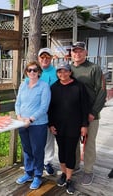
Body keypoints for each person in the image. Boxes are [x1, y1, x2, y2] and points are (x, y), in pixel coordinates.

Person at [48, 62, 89, 194]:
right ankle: (64, 174)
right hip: (58, 126)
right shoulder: (54, 87)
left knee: (70, 152)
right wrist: (51, 124)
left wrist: (84, 125)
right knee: (62, 151)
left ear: (70, 72)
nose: (62, 74)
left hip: (74, 126)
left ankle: (70, 179)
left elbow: (85, 108)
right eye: (59, 71)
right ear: (57, 74)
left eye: (65, 71)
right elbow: (50, 108)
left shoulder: (79, 86)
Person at [70, 41, 107, 185]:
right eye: (74, 51)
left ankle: (88, 170)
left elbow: (102, 91)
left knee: (89, 143)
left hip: (91, 114)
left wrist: (93, 112)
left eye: (80, 51)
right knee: (73, 142)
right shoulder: (67, 69)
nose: (77, 53)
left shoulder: (94, 68)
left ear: (85, 52)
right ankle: (75, 165)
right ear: (71, 53)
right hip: (74, 115)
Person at [15, 61, 51, 190]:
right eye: (29, 70)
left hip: (37, 124)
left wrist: (30, 119)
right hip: (22, 122)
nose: (32, 72)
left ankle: (37, 175)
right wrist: (19, 116)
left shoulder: (44, 86)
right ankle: (28, 173)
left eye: (35, 70)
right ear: (26, 72)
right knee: (27, 149)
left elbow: (44, 107)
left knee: (37, 150)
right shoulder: (22, 85)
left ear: (39, 72)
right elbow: (17, 103)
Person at [37, 48, 58, 175]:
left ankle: (47, 162)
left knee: (50, 138)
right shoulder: (34, 71)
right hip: (37, 111)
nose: (45, 59)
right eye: (42, 57)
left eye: (47, 57)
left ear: (51, 58)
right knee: (38, 137)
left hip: (52, 110)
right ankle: (37, 161)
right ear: (39, 58)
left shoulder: (56, 72)